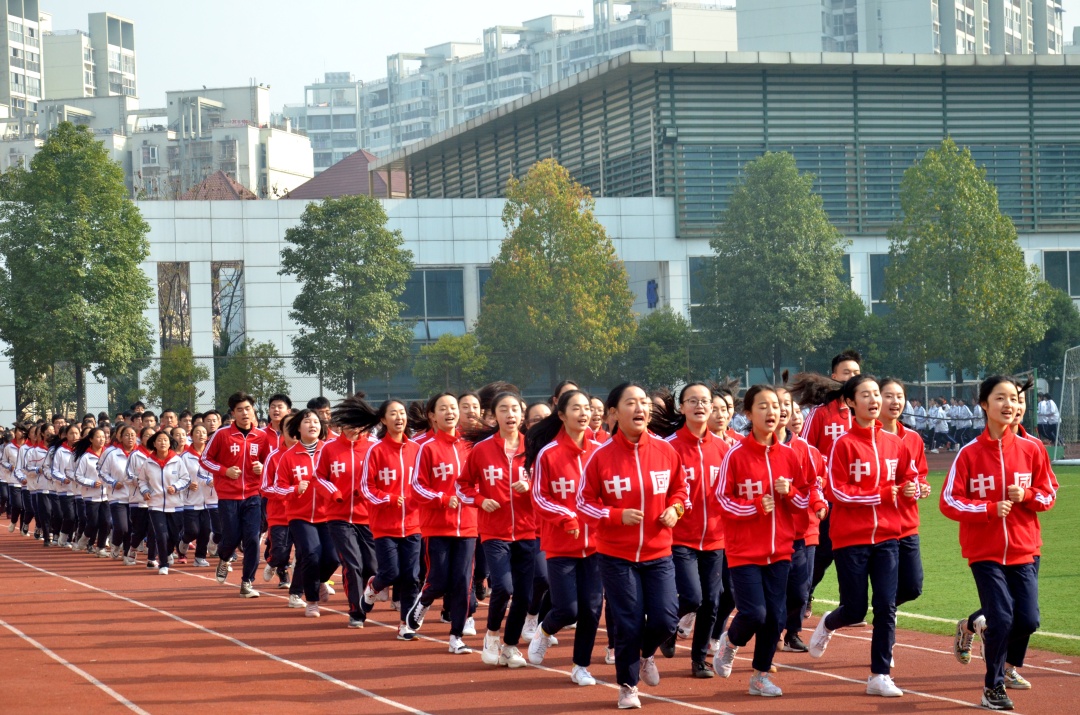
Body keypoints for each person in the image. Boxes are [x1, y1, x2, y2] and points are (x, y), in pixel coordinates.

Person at [940, 376, 1055, 711]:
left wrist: (1029, 495)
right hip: (985, 552)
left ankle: (973, 624)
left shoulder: (1033, 449)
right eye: (1000, 398)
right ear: (984, 404)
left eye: (1015, 399)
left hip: (1024, 548)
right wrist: (988, 509)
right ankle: (993, 686)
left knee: (1029, 620)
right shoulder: (969, 453)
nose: (1010, 405)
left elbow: (1048, 493)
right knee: (1002, 619)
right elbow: (949, 501)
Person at [577, 382, 687, 710]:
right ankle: (627, 685)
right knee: (628, 621)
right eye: (630, 403)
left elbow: (683, 491)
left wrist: (676, 509)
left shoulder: (666, 451)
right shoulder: (600, 456)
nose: (640, 408)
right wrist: (615, 515)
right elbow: (583, 504)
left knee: (667, 621)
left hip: (658, 552)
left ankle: (646, 653)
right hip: (616, 555)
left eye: (643, 403)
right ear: (613, 413)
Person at [809, 375, 918, 698]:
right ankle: (829, 622)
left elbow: (908, 476)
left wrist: (912, 488)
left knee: (886, 605)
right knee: (855, 610)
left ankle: (879, 675)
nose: (874, 400)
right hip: (851, 539)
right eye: (866, 395)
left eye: (876, 395)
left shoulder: (895, 443)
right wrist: (884, 493)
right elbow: (838, 492)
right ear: (851, 403)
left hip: (887, 537)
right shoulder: (843, 444)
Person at [713, 385, 806, 697]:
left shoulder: (792, 456)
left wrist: (789, 493)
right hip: (744, 551)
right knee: (755, 613)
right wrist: (752, 507)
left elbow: (806, 499)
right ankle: (730, 640)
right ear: (748, 414)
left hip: (780, 549)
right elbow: (721, 499)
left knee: (777, 617)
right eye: (763, 406)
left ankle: (760, 677)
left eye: (777, 406)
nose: (772, 412)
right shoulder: (736, 456)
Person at [526, 389, 602, 686]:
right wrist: (565, 517)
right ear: (561, 415)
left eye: (587, 408)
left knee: (592, 608)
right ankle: (545, 630)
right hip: (561, 544)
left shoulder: (600, 450)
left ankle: (581, 666)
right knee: (568, 609)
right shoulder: (549, 453)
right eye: (576, 409)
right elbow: (539, 497)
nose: (584, 414)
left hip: (596, 544)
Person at [654, 383, 729, 679]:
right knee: (693, 598)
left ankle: (699, 660)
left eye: (705, 401)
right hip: (679, 537)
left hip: (715, 538)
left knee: (712, 601)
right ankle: (668, 628)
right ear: (682, 407)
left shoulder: (724, 449)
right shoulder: (668, 447)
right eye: (692, 401)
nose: (700, 406)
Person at [457, 391, 535, 669]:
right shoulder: (482, 450)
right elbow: (462, 486)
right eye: (504, 409)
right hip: (494, 532)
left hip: (528, 531)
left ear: (522, 414)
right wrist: (480, 500)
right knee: (503, 586)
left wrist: (531, 487)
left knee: (525, 596)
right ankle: (491, 635)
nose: (510, 414)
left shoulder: (534, 448)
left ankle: (510, 647)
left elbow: (549, 487)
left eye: (515, 409)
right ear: (494, 415)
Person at [408, 392, 478, 654]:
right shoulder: (427, 448)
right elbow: (416, 486)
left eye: (453, 407)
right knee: (438, 580)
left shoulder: (471, 446)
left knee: (462, 581)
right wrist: (441, 498)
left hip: (469, 525)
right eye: (443, 408)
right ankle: (424, 601)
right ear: (432, 416)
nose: (450, 412)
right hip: (437, 525)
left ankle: (456, 636)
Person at [270, 408, 343, 618]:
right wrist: (295, 489)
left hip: (328, 514)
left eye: (316, 422)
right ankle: (311, 601)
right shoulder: (288, 457)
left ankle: (320, 581)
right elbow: (277, 488)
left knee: (333, 557)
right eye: (307, 421)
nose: (312, 425)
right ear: (297, 428)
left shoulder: (329, 452)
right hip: (300, 516)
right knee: (311, 554)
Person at [200, 392, 270, 597]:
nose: (244, 413)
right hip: (228, 497)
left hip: (253, 495)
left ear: (253, 411)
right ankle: (223, 558)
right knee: (230, 538)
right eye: (239, 410)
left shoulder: (262, 436)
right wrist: (225, 471)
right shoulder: (222, 435)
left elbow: (271, 463)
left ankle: (247, 582)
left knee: (251, 538)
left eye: (248, 409)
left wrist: (262, 466)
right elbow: (204, 459)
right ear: (233, 413)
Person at [320, 393, 379, 629]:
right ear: (341, 424)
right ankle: (356, 610)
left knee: (372, 567)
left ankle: (367, 595)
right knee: (352, 564)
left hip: (369, 517)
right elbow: (319, 478)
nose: (355, 430)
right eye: (350, 425)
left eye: (359, 425)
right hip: (338, 516)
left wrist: (369, 493)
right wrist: (334, 492)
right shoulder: (329, 449)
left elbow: (382, 480)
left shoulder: (375, 448)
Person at [878, 379, 931, 613]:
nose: (895, 401)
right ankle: (885, 611)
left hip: (908, 523)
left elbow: (920, 476)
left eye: (900, 396)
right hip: (877, 525)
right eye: (889, 396)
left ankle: (886, 607)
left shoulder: (913, 438)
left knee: (912, 587)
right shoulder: (865, 439)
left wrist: (920, 487)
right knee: (882, 587)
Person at [137, 430, 190, 575]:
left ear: (170, 443)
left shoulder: (177, 460)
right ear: (154, 443)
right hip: (156, 504)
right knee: (161, 535)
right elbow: (141, 480)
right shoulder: (148, 462)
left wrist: (176, 487)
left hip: (176, 505)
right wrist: (145, 491)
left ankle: (167, 553)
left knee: (174, 536)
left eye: (165, 440)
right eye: (159, 440)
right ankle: (163, 564)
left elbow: (186, 479)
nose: (162, 443)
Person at [99, 424, 136, 559]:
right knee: (122, 527)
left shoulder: (139, 455)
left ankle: (126, 553)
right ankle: (115, 544)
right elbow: (102, 473)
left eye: (133, 435)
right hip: (117, 496)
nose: (130, 438)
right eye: (127, 435)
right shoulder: (111, 453)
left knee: (131, 528)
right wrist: (113, 483)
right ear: (120, 437)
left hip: (135, 497)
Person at [180, 424, 214, 567]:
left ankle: (199, 557)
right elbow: (177, 475)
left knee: (205, 530)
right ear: (191, 436)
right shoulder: (185, 457)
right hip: (190, 500)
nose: (201, 435)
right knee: (193, 530)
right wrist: (187, 484)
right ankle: (184, 540)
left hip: (208, 499)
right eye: (197, 432)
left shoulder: (212, 455)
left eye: (204, 432)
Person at [74, 427, 110, 556]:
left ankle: (100, 548)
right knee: (93, 523)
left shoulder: (108, 455)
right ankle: (85, 537)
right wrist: (91, 483)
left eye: (104, 437)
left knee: (106, 522)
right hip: (90, 496)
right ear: (91, 439)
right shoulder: (86, 457)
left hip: (107, 495)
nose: (102, 439)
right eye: (98, 437)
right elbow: (78, 476)